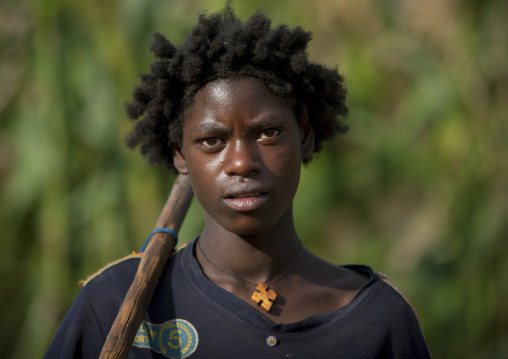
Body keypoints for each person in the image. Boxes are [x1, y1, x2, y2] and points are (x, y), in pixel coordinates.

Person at [45, 5, 431, 358]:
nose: (242, 163)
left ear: (307, 138)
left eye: (268, 133)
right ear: (180, 154)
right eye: (211, 141)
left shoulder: (377, 320)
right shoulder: (115, 304)